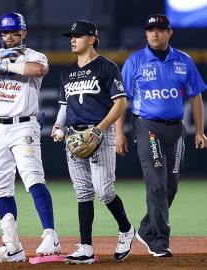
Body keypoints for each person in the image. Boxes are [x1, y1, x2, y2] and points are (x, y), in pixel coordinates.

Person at [0, 12, 61, 263]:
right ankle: (12, 246)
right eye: (6, 33)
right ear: (0, 34)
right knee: (1, 187)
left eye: (15, 32)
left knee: (33, 178)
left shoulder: (34, 56)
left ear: (24, 33)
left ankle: (50, 235)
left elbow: (39, 69)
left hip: (23, 127)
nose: (10, 37)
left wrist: (6, 65)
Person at [120, 14, 207, 257]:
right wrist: (119, 134)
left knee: (171, 186)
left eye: (160, 29)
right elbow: (121, 100)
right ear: (146, 34)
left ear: (170, 33)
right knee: (156, 184)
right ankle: (159, 241)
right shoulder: (135, 61)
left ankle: (147, 228)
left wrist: (200, 130)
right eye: (150, 30)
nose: (154, 33)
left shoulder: (184, 60)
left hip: (176, 129)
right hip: (147, 126)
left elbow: (196, 95)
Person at [51, 20, 135, 264]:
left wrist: (101, 129)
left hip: (100, 133)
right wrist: (58, 126)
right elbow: (63, 107)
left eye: (78, 35)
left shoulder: (106, 67)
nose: (72, 39)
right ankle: (86, 247)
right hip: (74, 138)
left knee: (104, 191)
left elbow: (121, 103)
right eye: (71, 35)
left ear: (92, 38)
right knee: (83, 193)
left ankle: (126, 229)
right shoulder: (66, 72)